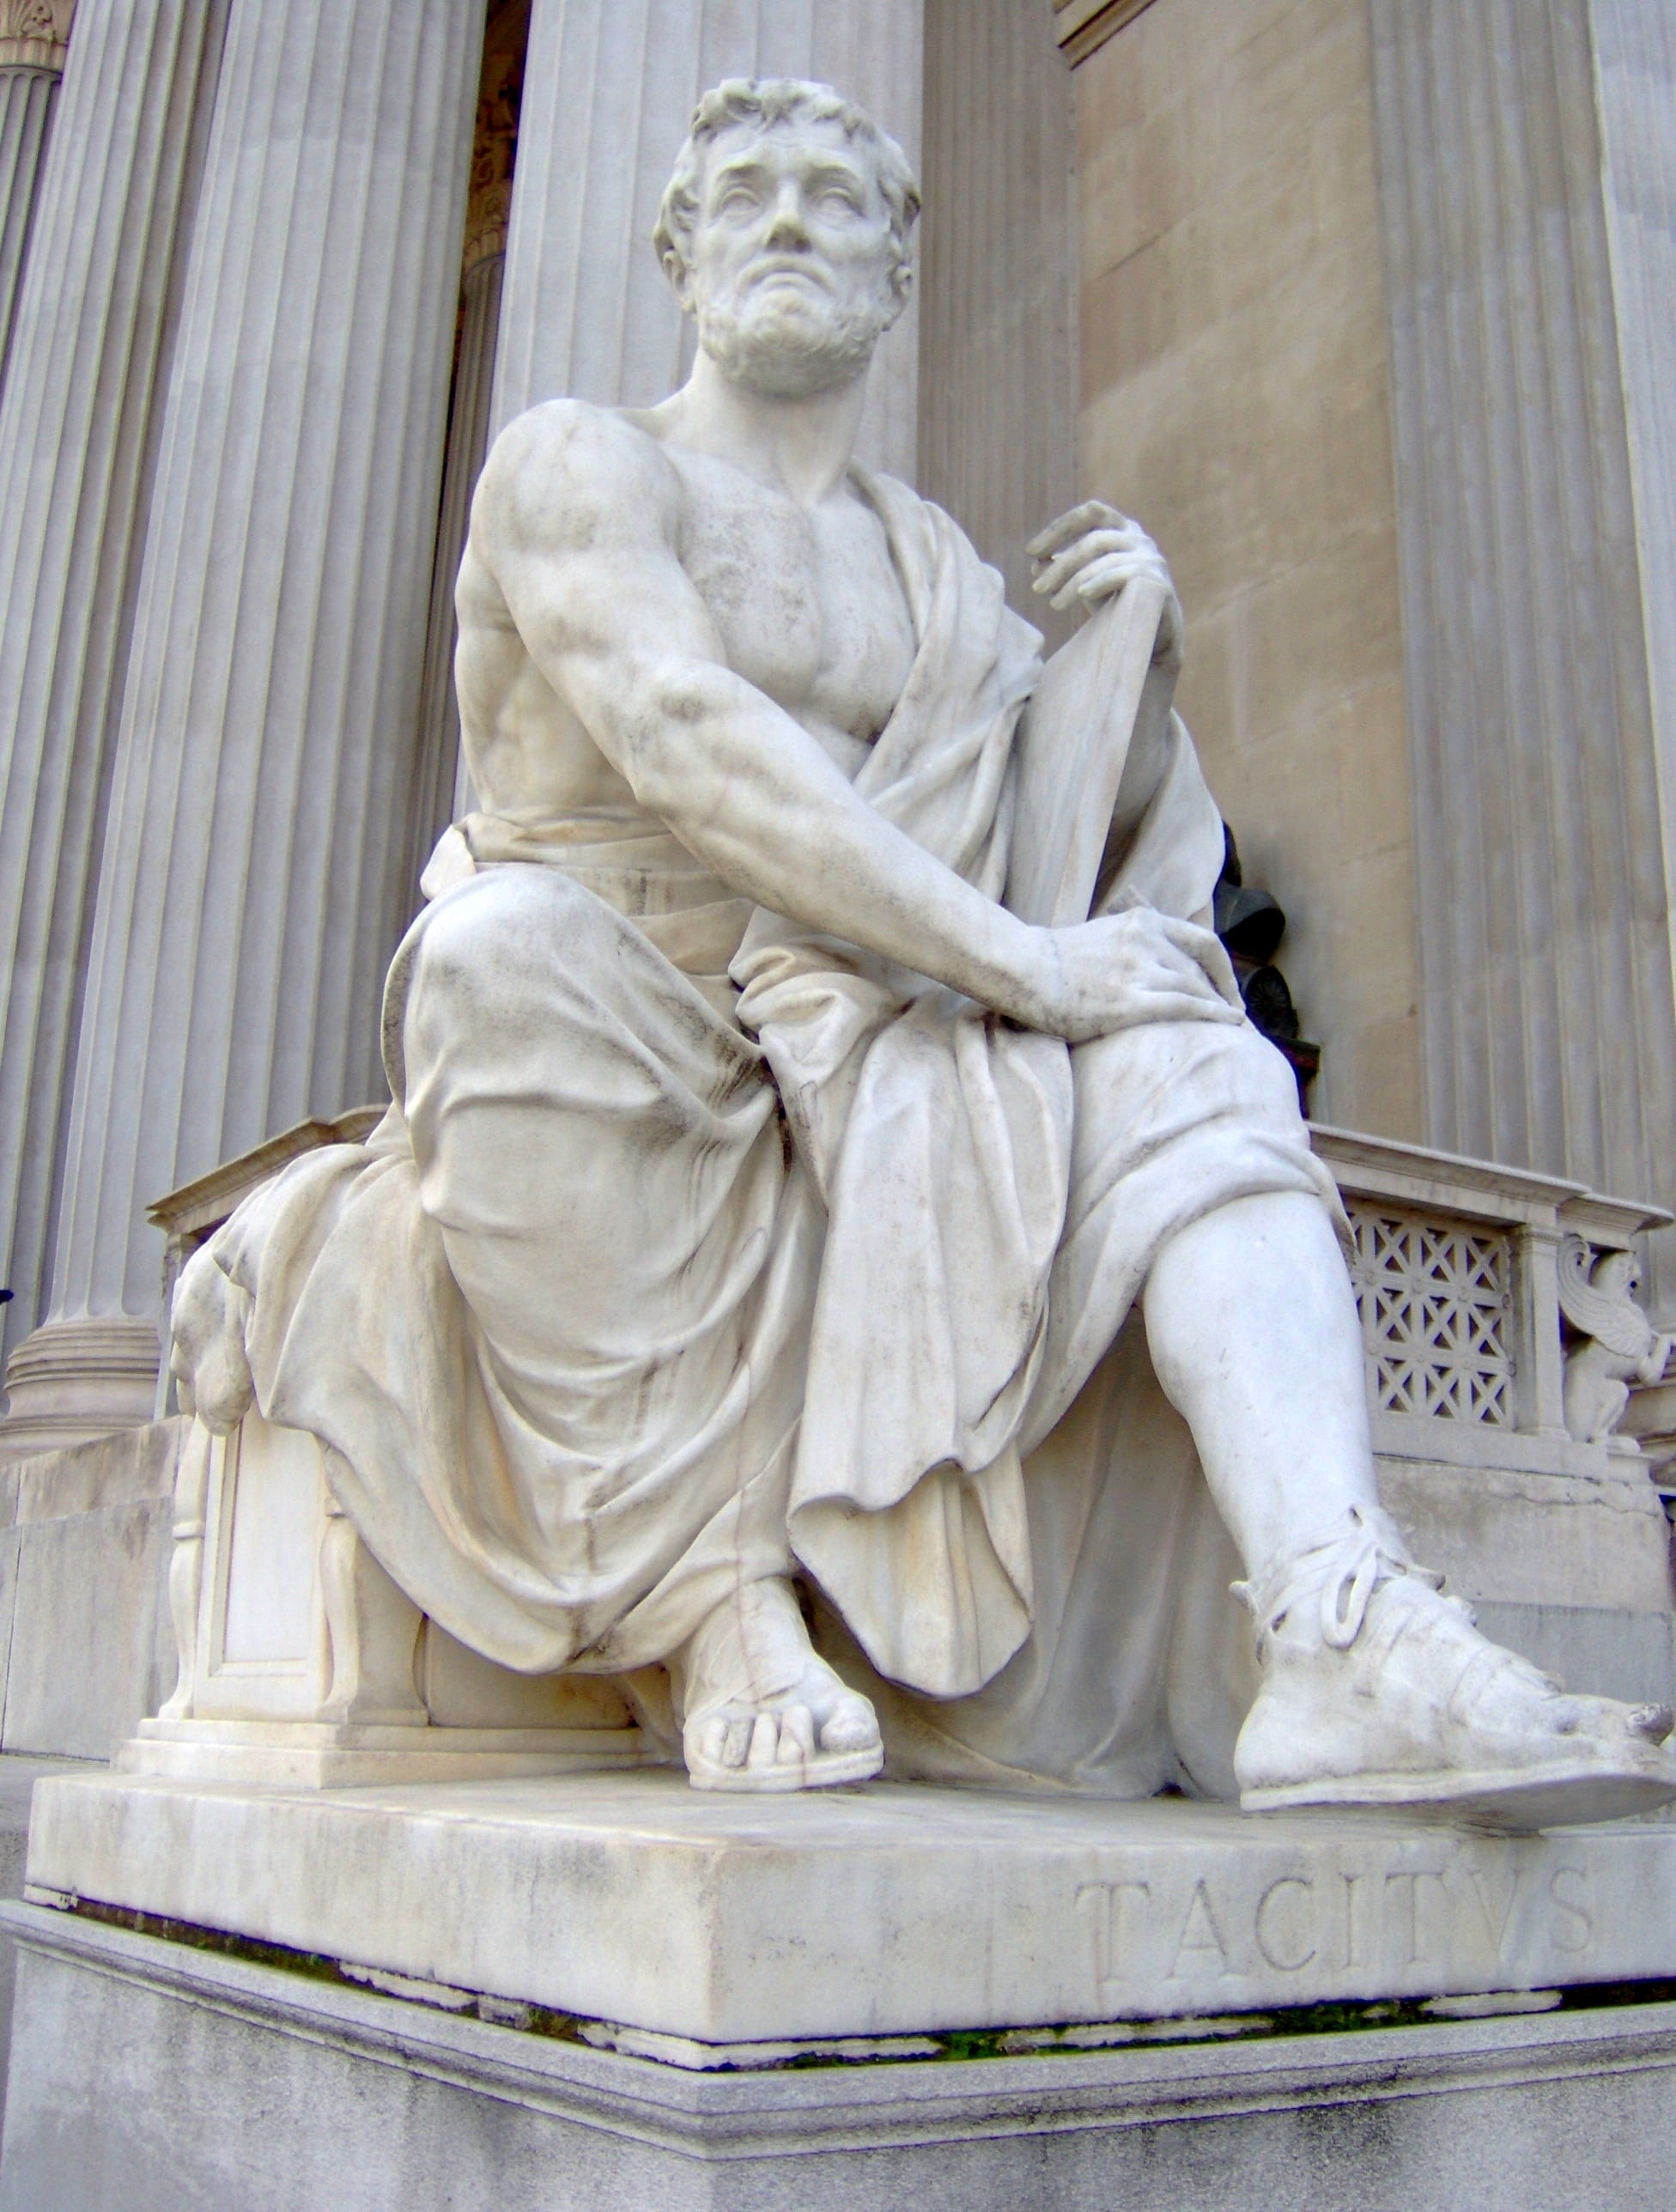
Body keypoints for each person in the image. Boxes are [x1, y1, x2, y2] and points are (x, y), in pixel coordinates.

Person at [173, 78, 1673, 1821]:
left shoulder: (934, 574)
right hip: (620, 1007)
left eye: (834, 197)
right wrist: (1024, 974)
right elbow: (683, 734)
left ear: (899, 274)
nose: (790, 219)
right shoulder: (581, 464)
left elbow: (1054, 833)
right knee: (489, 953)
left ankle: (1334, 1619)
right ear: (678, 250)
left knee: (1193, 1043)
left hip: (878, 1029)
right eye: (747, 191)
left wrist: (1136, 667)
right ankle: (714, 1601)